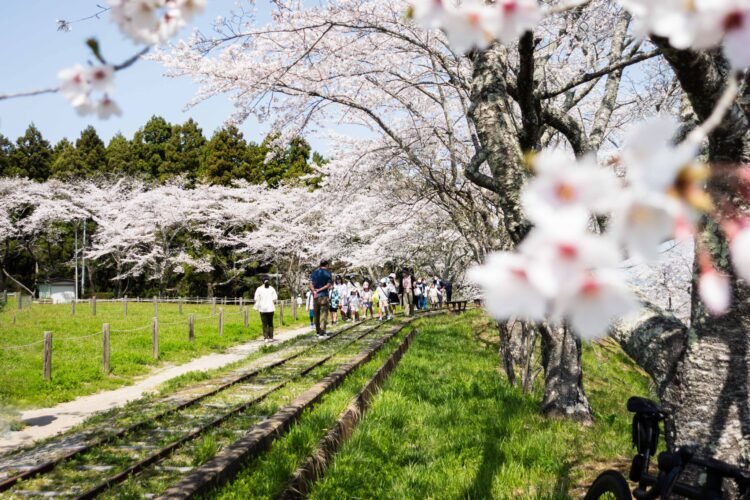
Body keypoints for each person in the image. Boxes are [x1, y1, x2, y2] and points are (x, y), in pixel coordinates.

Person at [310, 260, 333, 338]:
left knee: (316, 314)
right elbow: (328, 285)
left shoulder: (314, 273)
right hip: (323, 296)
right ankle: (322, 332)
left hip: (315, 296)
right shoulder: (328, 273)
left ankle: (317, 331)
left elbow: (310, 284)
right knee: (323, 314)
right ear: (326, 265)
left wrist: (314, 291)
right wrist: (320, 290)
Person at [254, 277, 278, 342]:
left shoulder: (259, 289)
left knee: (264, 323)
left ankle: (265, 337)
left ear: (262, 282)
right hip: (270, 308)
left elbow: (256, 298)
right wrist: (270, 300)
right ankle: (271, 337)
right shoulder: (272, 288)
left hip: (262, 309)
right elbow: (275, 297)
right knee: (270, 323)